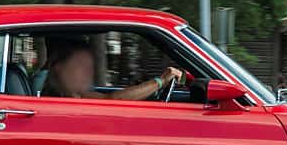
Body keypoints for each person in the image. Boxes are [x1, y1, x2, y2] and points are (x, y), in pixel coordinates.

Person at [40, 37, 184, 101]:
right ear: (59, 68)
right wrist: (160, 81)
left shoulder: (72, 95)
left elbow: (109, 98)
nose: (88, 71)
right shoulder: (62, 100)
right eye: (79, 65)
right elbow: (114, 100)